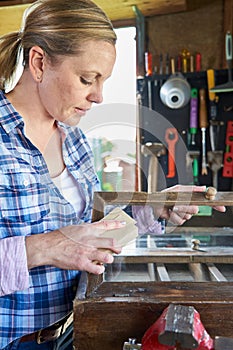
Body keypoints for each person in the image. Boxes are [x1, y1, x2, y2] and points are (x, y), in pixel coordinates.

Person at [0, 0, 226, 349]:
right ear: (39, 62)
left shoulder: (73, 139)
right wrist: (43, 248)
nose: (99, 96)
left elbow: (91, 227)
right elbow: (63, 242)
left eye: (103, 81)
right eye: (86, 78)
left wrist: (154, 208)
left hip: (76, 330)